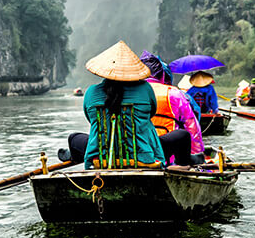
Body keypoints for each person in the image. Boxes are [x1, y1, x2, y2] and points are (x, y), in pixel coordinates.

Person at [60, 41, 193, 167]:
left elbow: (91, 120)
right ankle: (183, 168)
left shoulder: (90, 92)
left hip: (102, 155)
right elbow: (151, 114)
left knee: (74, 138)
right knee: (182, 135)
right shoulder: (145, 89)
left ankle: (74, 156)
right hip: (143, 154)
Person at [140, 50, 205, 164]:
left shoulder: (129, 94)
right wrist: (197, 155)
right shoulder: (175, 94)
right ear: (163, 75)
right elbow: (192, 129)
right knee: (183, 134)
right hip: (168, 155)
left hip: (137, 153)